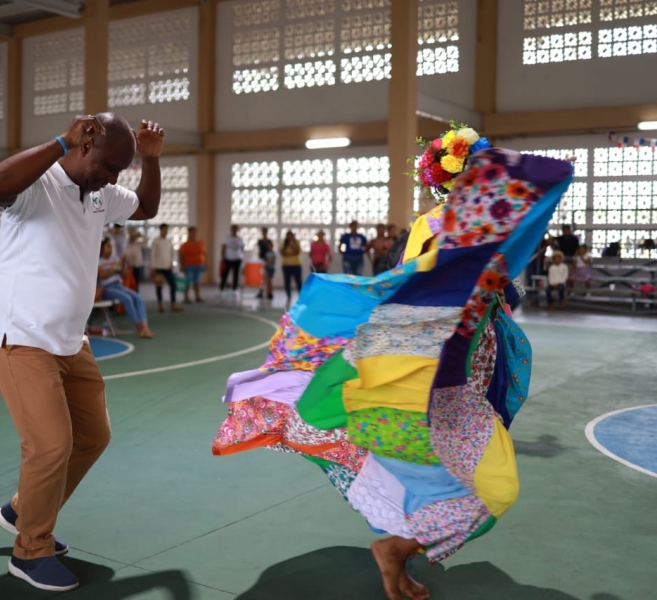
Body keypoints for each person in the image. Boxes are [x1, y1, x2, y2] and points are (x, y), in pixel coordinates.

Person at [210, 129, 574, 600]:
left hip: (459, 376)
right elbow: (415, 296)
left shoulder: (489, 231)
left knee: (460, 482)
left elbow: (493, 285)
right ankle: (397, 549)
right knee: (487, 488)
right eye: (478, 175)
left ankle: (400, 549)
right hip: (429, 378)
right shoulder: (445, 228)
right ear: (461, 183)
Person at [0, 113, 166, 592]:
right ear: (84, 146)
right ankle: (30, 551)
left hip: (68, 339)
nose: (112, 177)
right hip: (18, 334)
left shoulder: (101, 192)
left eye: (120, 170)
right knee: (49, 444)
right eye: (107, 166)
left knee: (93, 435)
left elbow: (145, 207)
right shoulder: (38, 184)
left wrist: (150, 160)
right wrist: (60, 142)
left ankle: (22, 510)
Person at [98, 238, 154, 338]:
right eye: (108, 247)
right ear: (102, 248)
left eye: (111, 246)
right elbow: (102, 275)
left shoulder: (114, 259)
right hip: (106, 288)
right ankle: (139, 328)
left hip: (118, 285)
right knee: (127, 299)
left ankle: (145, 327)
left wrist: (123, 264)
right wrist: (117, 265)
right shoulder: (98, 261)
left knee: (138, 297)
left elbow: (123, 275)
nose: (110, 249)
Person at [150, 223, 183, 313]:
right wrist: (153, 267)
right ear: (160, 230)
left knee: (173, 284)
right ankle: (160, 304)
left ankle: (173, 304)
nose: (165, 231)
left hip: (167, 267)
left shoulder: (169, 242)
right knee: (159, 286)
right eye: (164, 229)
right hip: (158, 267)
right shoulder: (156, 241)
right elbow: (153, 255)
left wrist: (172, 263)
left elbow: (173, 254)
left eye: (166, 230)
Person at [178, 226, 205, 303]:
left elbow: (204, 254)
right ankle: (186, 297)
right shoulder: (185, 245)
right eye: (193, 232)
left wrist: (205, 263)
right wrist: (182, 265)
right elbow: (181, 255)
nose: (194, 234)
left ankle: (197, 296)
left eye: (195, 232)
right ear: (189, 233)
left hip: (199, 265)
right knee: (188, 282)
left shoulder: (200, 243)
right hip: (188, 265)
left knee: (197, 281)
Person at [280, 230, 302, 306]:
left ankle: (301, 296)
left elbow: (297, 251)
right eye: (288, 236)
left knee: (298, 281)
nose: (290, 237)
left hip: (296, 265)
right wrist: (292, 253)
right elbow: (283, 253)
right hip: (286, 265)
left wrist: (292, 245)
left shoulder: (296, 242)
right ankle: (289, 296)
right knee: (287, 282)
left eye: (291, 235)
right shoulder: (284, 243)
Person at [220, 224, 244, 292]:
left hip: (237, 259)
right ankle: (222, 287)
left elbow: (242, 248)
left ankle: (234, 288)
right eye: (233, 229)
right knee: (225, 274)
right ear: (231, 229)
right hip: (228, 258)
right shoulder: (227, 238)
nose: (234, 230)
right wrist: (223, 258)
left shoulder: (239, 239)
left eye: (236, 229)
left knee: (236, 274)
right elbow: (223, 247)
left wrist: (241, 256)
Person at [255, 227, 271, 298]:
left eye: (265, 232)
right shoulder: (260, 241)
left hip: (268, 261)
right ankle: (261, 292)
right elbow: (257, 250)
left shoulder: (269, 241)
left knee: (268, 277)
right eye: (262, 232)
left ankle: (269, 292)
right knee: (261, 277)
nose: (263, 233)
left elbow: (271, 250)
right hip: (261, 261)